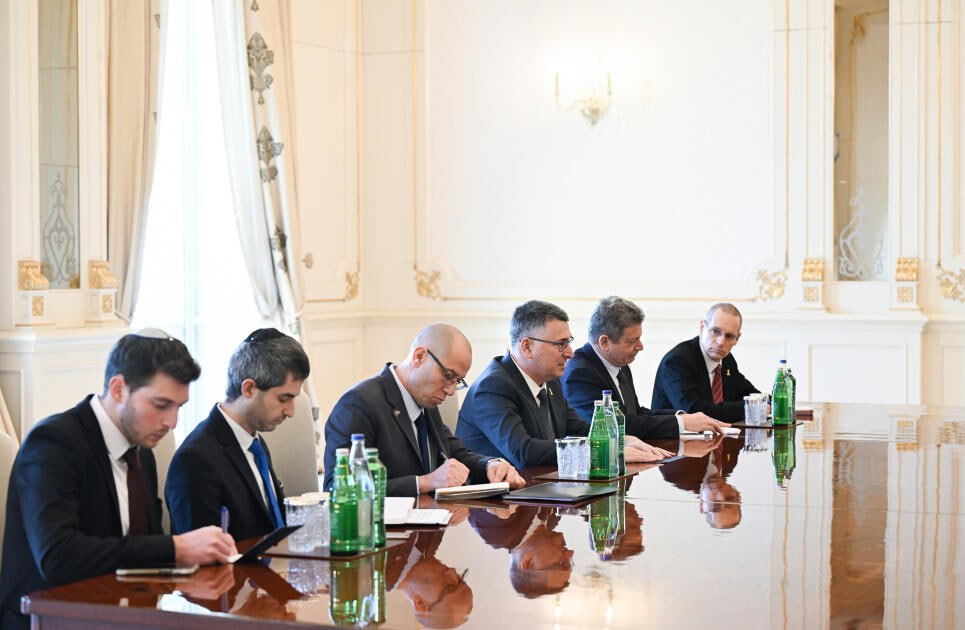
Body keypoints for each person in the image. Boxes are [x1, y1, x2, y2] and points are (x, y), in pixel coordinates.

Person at [0, 329, 237, 630]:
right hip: (51, 619)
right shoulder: (53, 443)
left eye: (179, 407)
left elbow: (142, 550)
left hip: (124, 614)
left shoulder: (141, 452)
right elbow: (59, 558)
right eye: (161, 405)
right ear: (118, 389)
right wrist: (176, 548)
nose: (172, 422)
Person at [456, 300, 671, 469]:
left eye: (569, 342)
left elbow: (577, 429)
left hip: (541, 492)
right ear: (527, 347)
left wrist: (622, 440)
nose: (569, 353)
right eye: (560, 344)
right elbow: (523, 451)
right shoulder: (493, 387)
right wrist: (608, 452)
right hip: (496, 506)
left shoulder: (551, 380)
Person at [323, 323, 525, 497]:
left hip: (431, 524)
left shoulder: (424, 400)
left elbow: (454, 453)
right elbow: (336, 489)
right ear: (419, 356)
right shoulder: (359, 404)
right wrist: (424, 482)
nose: (451, 391)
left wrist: (491, 465)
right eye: (448, 376)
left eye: (457, 381)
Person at [166, 328, 310, 541]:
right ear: (249, 388)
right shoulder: (195, 460)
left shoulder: (255, 443)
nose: (291, 412)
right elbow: (202, 553)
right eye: (283, 399)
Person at [562, 296, 730, 439]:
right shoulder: (580, 374)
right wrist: (680, 423)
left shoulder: (619, 362)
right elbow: (614, 427)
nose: (640, 346)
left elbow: (636, 414)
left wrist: (683, 417)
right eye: (632, 341)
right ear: (605, 342)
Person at [651, 303, 759, 421]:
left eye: (729, 336)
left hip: (716, 432)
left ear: (737, 338)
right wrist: (751, 407)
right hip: (674, 433)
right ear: (702, 327)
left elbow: (750, 394)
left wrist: (767, 402)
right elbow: (694, 411)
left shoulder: (727, 360)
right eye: (716, 331)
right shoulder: (677, 361)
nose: (721, 342)